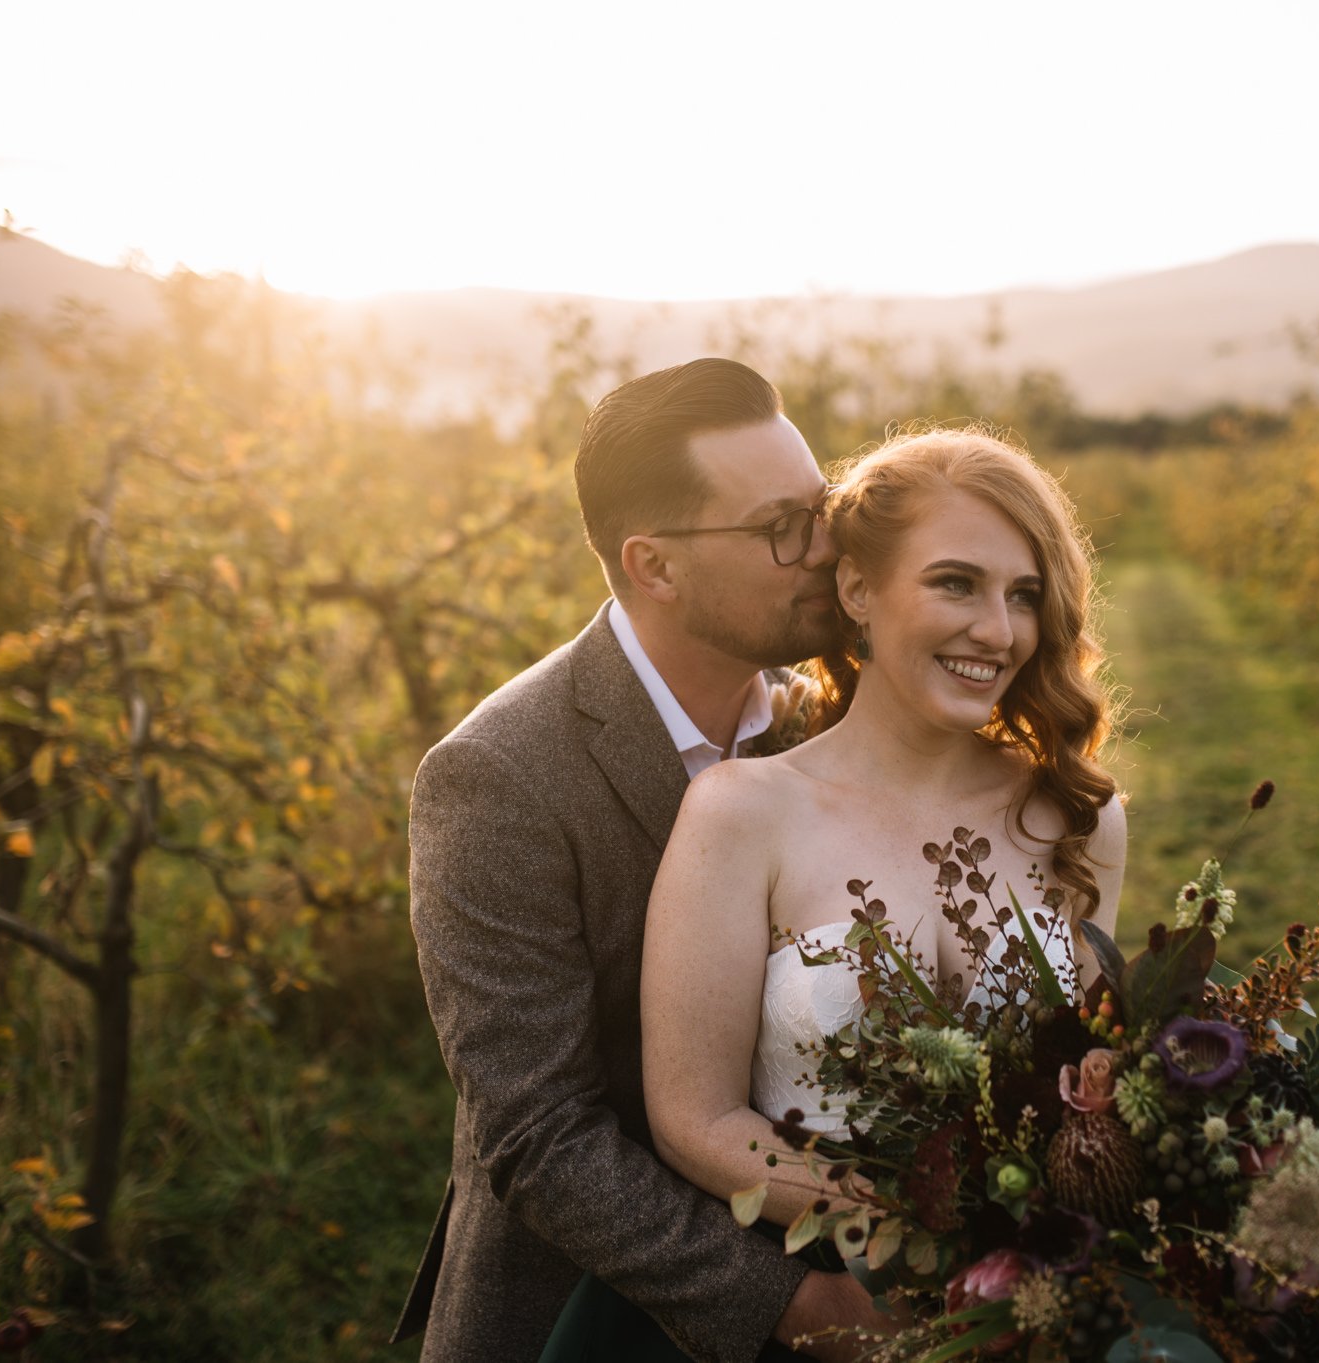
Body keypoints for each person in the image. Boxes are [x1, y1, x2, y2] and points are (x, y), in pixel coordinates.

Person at [541, 425, 1125, 1359]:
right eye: (955, 583)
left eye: (1023, 594)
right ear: (857, 588)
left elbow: (1085, 1081)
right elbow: (695, 1118)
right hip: (812, 1299)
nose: (999, 629)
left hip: (1029, 1309)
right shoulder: (741, 811)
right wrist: (920, 1221)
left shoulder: (1077, 817)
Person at [395, 358, 884, 1363]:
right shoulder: (495, 778)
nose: (825, 548)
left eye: (820, 507)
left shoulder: (822, 722)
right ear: (654, 565)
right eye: (779, 527)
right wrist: (786, 1303)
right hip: (581, 1311)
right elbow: (538, 1136)